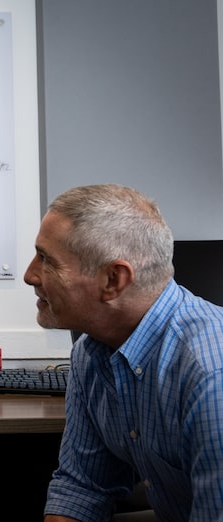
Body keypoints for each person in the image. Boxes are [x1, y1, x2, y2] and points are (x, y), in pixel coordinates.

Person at [23, 183, 223, 521]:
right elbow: (82, 488)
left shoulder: (210, 374)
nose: (30, 275)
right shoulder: (91, 353)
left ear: (113, 280)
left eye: (47, 260)